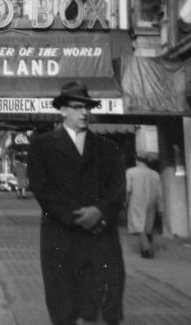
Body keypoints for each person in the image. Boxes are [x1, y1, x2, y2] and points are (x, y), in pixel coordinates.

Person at [28, 80, 126, 325]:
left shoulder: (107, 147)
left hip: (99, 236)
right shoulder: (42, 146)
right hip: (61, 236)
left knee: (101, 301)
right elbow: (42, 188)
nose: (84, 113)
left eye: (87, 108)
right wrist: (76, 215)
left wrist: (100, 212)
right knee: (63, 302)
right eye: (77, 107)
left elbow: (118, 188)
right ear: (63, 110)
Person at [126, 155, 163, 258]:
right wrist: (160, 207)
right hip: (151, 201)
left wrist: (126, 202)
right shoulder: (155, 174)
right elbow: (160, 193)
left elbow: (128, 189)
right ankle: (144, 250)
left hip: (136, 200)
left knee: (138, 225)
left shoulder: (131, 172)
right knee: (147, 226)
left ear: (137, 161)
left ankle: (147, 248)